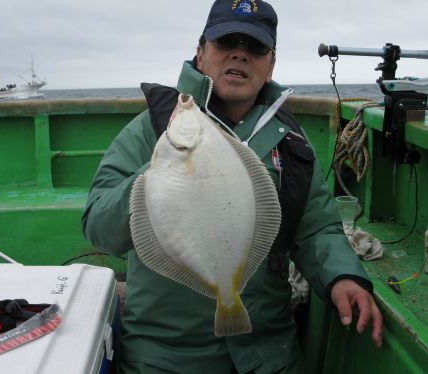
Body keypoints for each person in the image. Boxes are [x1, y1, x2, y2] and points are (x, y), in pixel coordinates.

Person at [82, 1, 383, 373]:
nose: (240, 54)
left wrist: (342, 276)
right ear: (201, 52)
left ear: (270, 63)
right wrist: (162, 168)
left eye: (254, 47)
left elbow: (316, 227)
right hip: (167, 354)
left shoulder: (289, 140)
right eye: (227, 42)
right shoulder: (155, 128)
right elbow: (99, 228)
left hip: (269, 351)